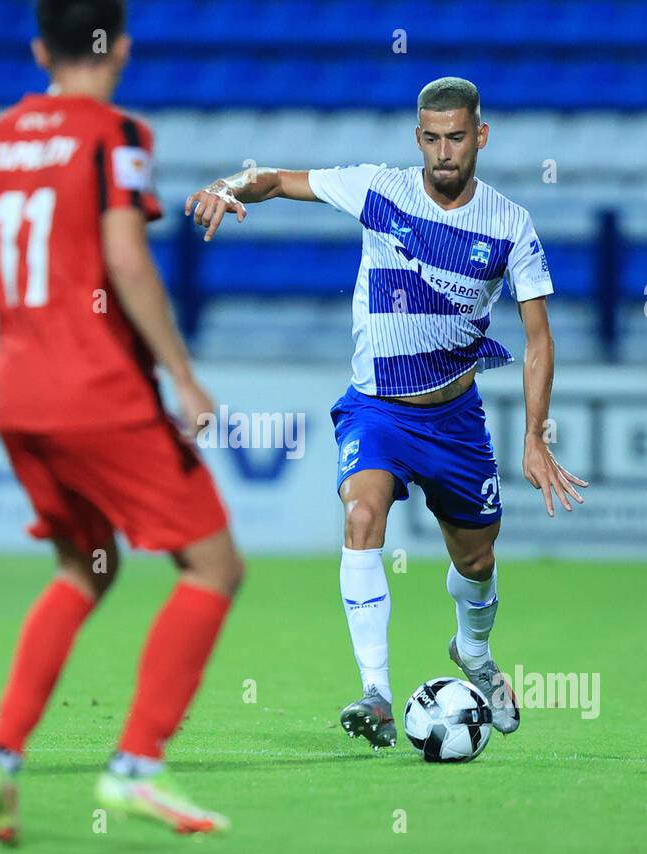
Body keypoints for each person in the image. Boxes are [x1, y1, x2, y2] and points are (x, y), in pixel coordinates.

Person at [0, 0, 243, 843]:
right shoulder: (115, 134)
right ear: (120, 46)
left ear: (40, 47)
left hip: (20, 404)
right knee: (213, 566)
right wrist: (184, 378)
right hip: (101, 395)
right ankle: (137, 767)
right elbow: (124, 257)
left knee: (85, 567)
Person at [186, 77, 587, 750]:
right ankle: (374, 691)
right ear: (417, 139)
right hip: (376, 412)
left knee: (479, 561)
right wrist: (228, 186)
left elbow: (539, 337)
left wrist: (536, 437)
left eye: (456, 137)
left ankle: (475, 653)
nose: (443, 152)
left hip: (455, 422)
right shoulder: (381, 189)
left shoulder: (509, 223)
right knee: (361, 514)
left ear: (480, 136)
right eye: (431, 138)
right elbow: (279, 181)